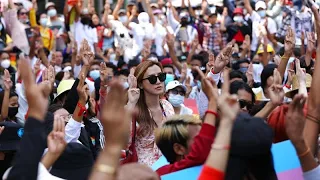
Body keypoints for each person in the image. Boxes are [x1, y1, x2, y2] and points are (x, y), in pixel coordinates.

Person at [126, 60, 174, 166]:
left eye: (161, 77)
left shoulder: (167, 106)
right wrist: (131, 102)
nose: (158, 81)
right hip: (143, 173)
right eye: (152, 79)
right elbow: (124, 142)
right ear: (141, 84)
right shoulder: (133, 109)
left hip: (168, 168)